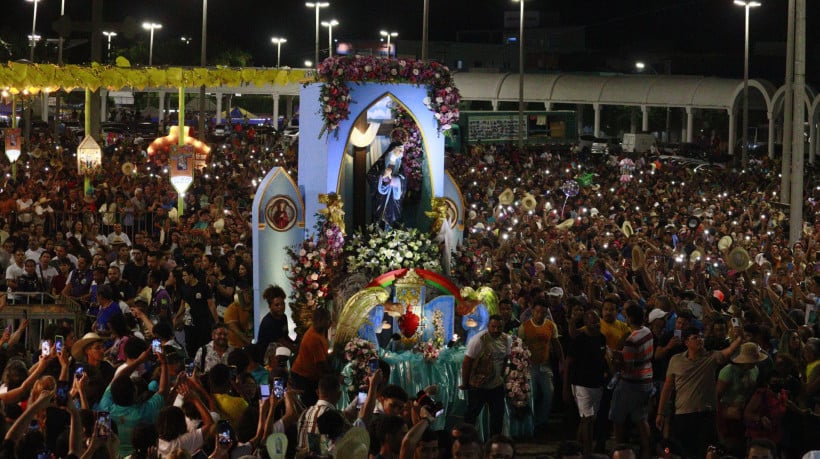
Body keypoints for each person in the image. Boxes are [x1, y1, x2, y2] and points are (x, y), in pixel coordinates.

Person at [656, 326, 743, 458]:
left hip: (705, 414)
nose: (700, 339)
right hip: (683, 414)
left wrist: (739, 338)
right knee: (684, 452)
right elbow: (668, 387)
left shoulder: (711, 357)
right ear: (686, 342)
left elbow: (729, 351)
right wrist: (660, 412)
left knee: (706, 452)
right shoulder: (676, 360)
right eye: (695, 337)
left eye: (701, 337)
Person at [609, 303, 653, 459]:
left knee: (617, 417)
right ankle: (647, 450)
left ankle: (620, 451)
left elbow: (627, 367)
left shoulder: (631, 340)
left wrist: (614, 359)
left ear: (630, 318)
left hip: (631, 383)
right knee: (641, 418)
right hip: (646, 380)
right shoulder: (647, 331)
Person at [563, 309, 607, 455]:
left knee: (587, 419)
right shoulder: (579, 341)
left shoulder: (601, 338)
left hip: (597, 384)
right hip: (581, 384)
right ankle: (588, 453)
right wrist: (566, 388)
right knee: (587, 418)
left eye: (598, 322)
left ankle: (576, 449)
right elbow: (568, 364)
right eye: (593, 322)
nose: (596, 325)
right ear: (586, 323)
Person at [460, 314, 511, 436]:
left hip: (496, 385)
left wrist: (502, 376)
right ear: (488, 326)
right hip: (478, 385)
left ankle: (494, 441)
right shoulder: (478, 340)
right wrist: (466, 383)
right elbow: (467, 362)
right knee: (472, 414)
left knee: (497, 415)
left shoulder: (506, 339)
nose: (496, 330)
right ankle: (465, 440)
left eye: (499, 327)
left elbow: (506, 358)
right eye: (493, 326)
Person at [517, 299, 563, 432]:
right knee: (532, 394)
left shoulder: (550, 326)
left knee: (549, 393)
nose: (540, 315)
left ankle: (542, 421)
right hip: (529, 366)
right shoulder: (524, 327)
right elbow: (519, 347)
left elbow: (556, 344)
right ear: (532, 311)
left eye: (543, 312)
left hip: (545, 365)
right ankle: (530, 422)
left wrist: (562, 360)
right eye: (537, 312)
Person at [291, 307, 331, 407]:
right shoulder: (314, 337)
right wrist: (331, 379)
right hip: (303, 377)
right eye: (328, 319)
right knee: (310, 404)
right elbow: (320, 365)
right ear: (320, 320)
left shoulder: (319, 332)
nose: (330, 322)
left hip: (309, 375)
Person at [367, 142, 407, 230]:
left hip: (394, 200)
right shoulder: (381, 162)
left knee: (394, 222)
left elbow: (404, 181)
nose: (401, 153)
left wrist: (395, 180)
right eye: (399, 150)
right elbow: (370, 175)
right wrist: (383, 176)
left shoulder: (400, 165)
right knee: (379, 221)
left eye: (402, 151)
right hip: (381, 199)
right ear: (392, 150)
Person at [256, 284, 295, 356]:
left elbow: (285, 337)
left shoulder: (284, 317)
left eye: (282, 303)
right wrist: (297, 350)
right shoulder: (268, 322)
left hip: (279, 352)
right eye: (277, 305)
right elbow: (282, 341)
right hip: (266, 357)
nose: (281, 307)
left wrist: (295, 343)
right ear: (270, 306)